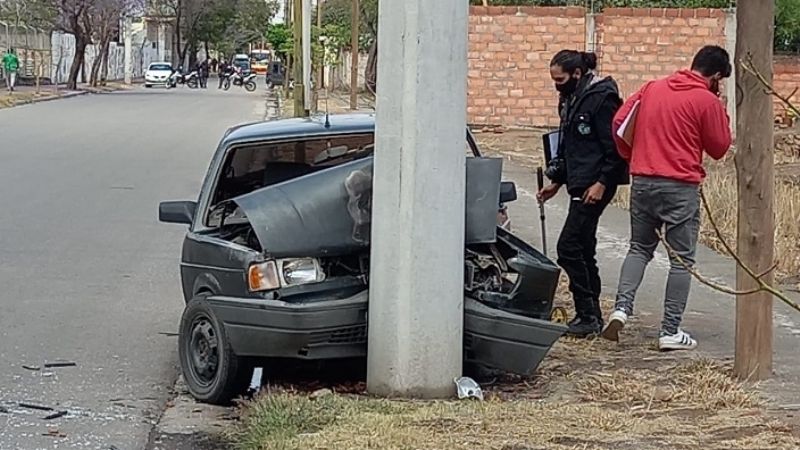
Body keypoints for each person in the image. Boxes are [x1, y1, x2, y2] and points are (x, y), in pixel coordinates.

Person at [601, 45, 733, 351]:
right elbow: (719, 147)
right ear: (715, 76)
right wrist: (721, 110)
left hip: (643, 181)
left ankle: (621, 309)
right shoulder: (706, 100)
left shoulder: (652, 88)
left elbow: (619, 124)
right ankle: (670, 331)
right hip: (679, 187)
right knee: (681, 261)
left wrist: (633, 155)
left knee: (639, 248)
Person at [537, 50, 629, 338]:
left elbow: (614, 148)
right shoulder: (570, 98)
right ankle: (591, 315)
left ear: (576, 74)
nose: (556, 86)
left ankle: (588, 314)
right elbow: (570, 145)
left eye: (560, 79)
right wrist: (557, 181)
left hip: (595, 183)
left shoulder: (602, 99)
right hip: (579, 180)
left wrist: (601, 183)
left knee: (569, 247)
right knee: (583, 246)